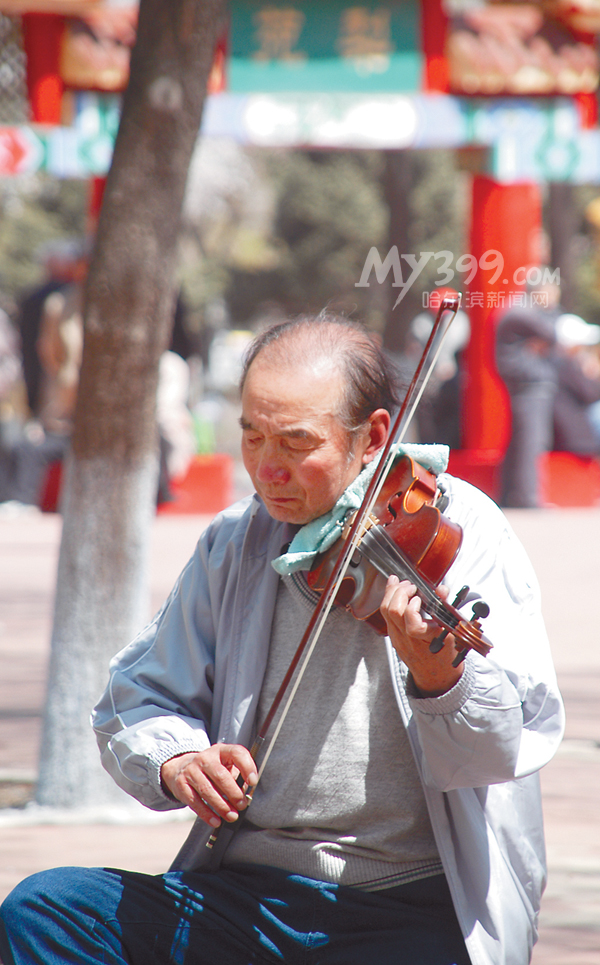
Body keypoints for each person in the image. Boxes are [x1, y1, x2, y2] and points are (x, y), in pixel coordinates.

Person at [0, 313, 564, 965]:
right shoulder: (238, 539)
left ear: (374, 435)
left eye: (296, 443)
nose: (268, 469)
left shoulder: (464, 534)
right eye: (251, 437)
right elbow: (136, 696)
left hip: (411, 904)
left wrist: (442, 680)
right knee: (46, 909)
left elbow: (507, 747)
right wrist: (178, 758)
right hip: (248, 896)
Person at [495, 288, 559, 507]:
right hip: (528, 382)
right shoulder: (523, 311)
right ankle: (528, 497)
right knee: (532, 440)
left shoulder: (517, 310)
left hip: (523, 380)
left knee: (521, 441)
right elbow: (552, 333)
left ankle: (510, 495)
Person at [552, 313, 600, 455]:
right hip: (576, 440)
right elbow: (590, 393)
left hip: (573, 438)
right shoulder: (564, 365)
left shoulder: (558, 363)